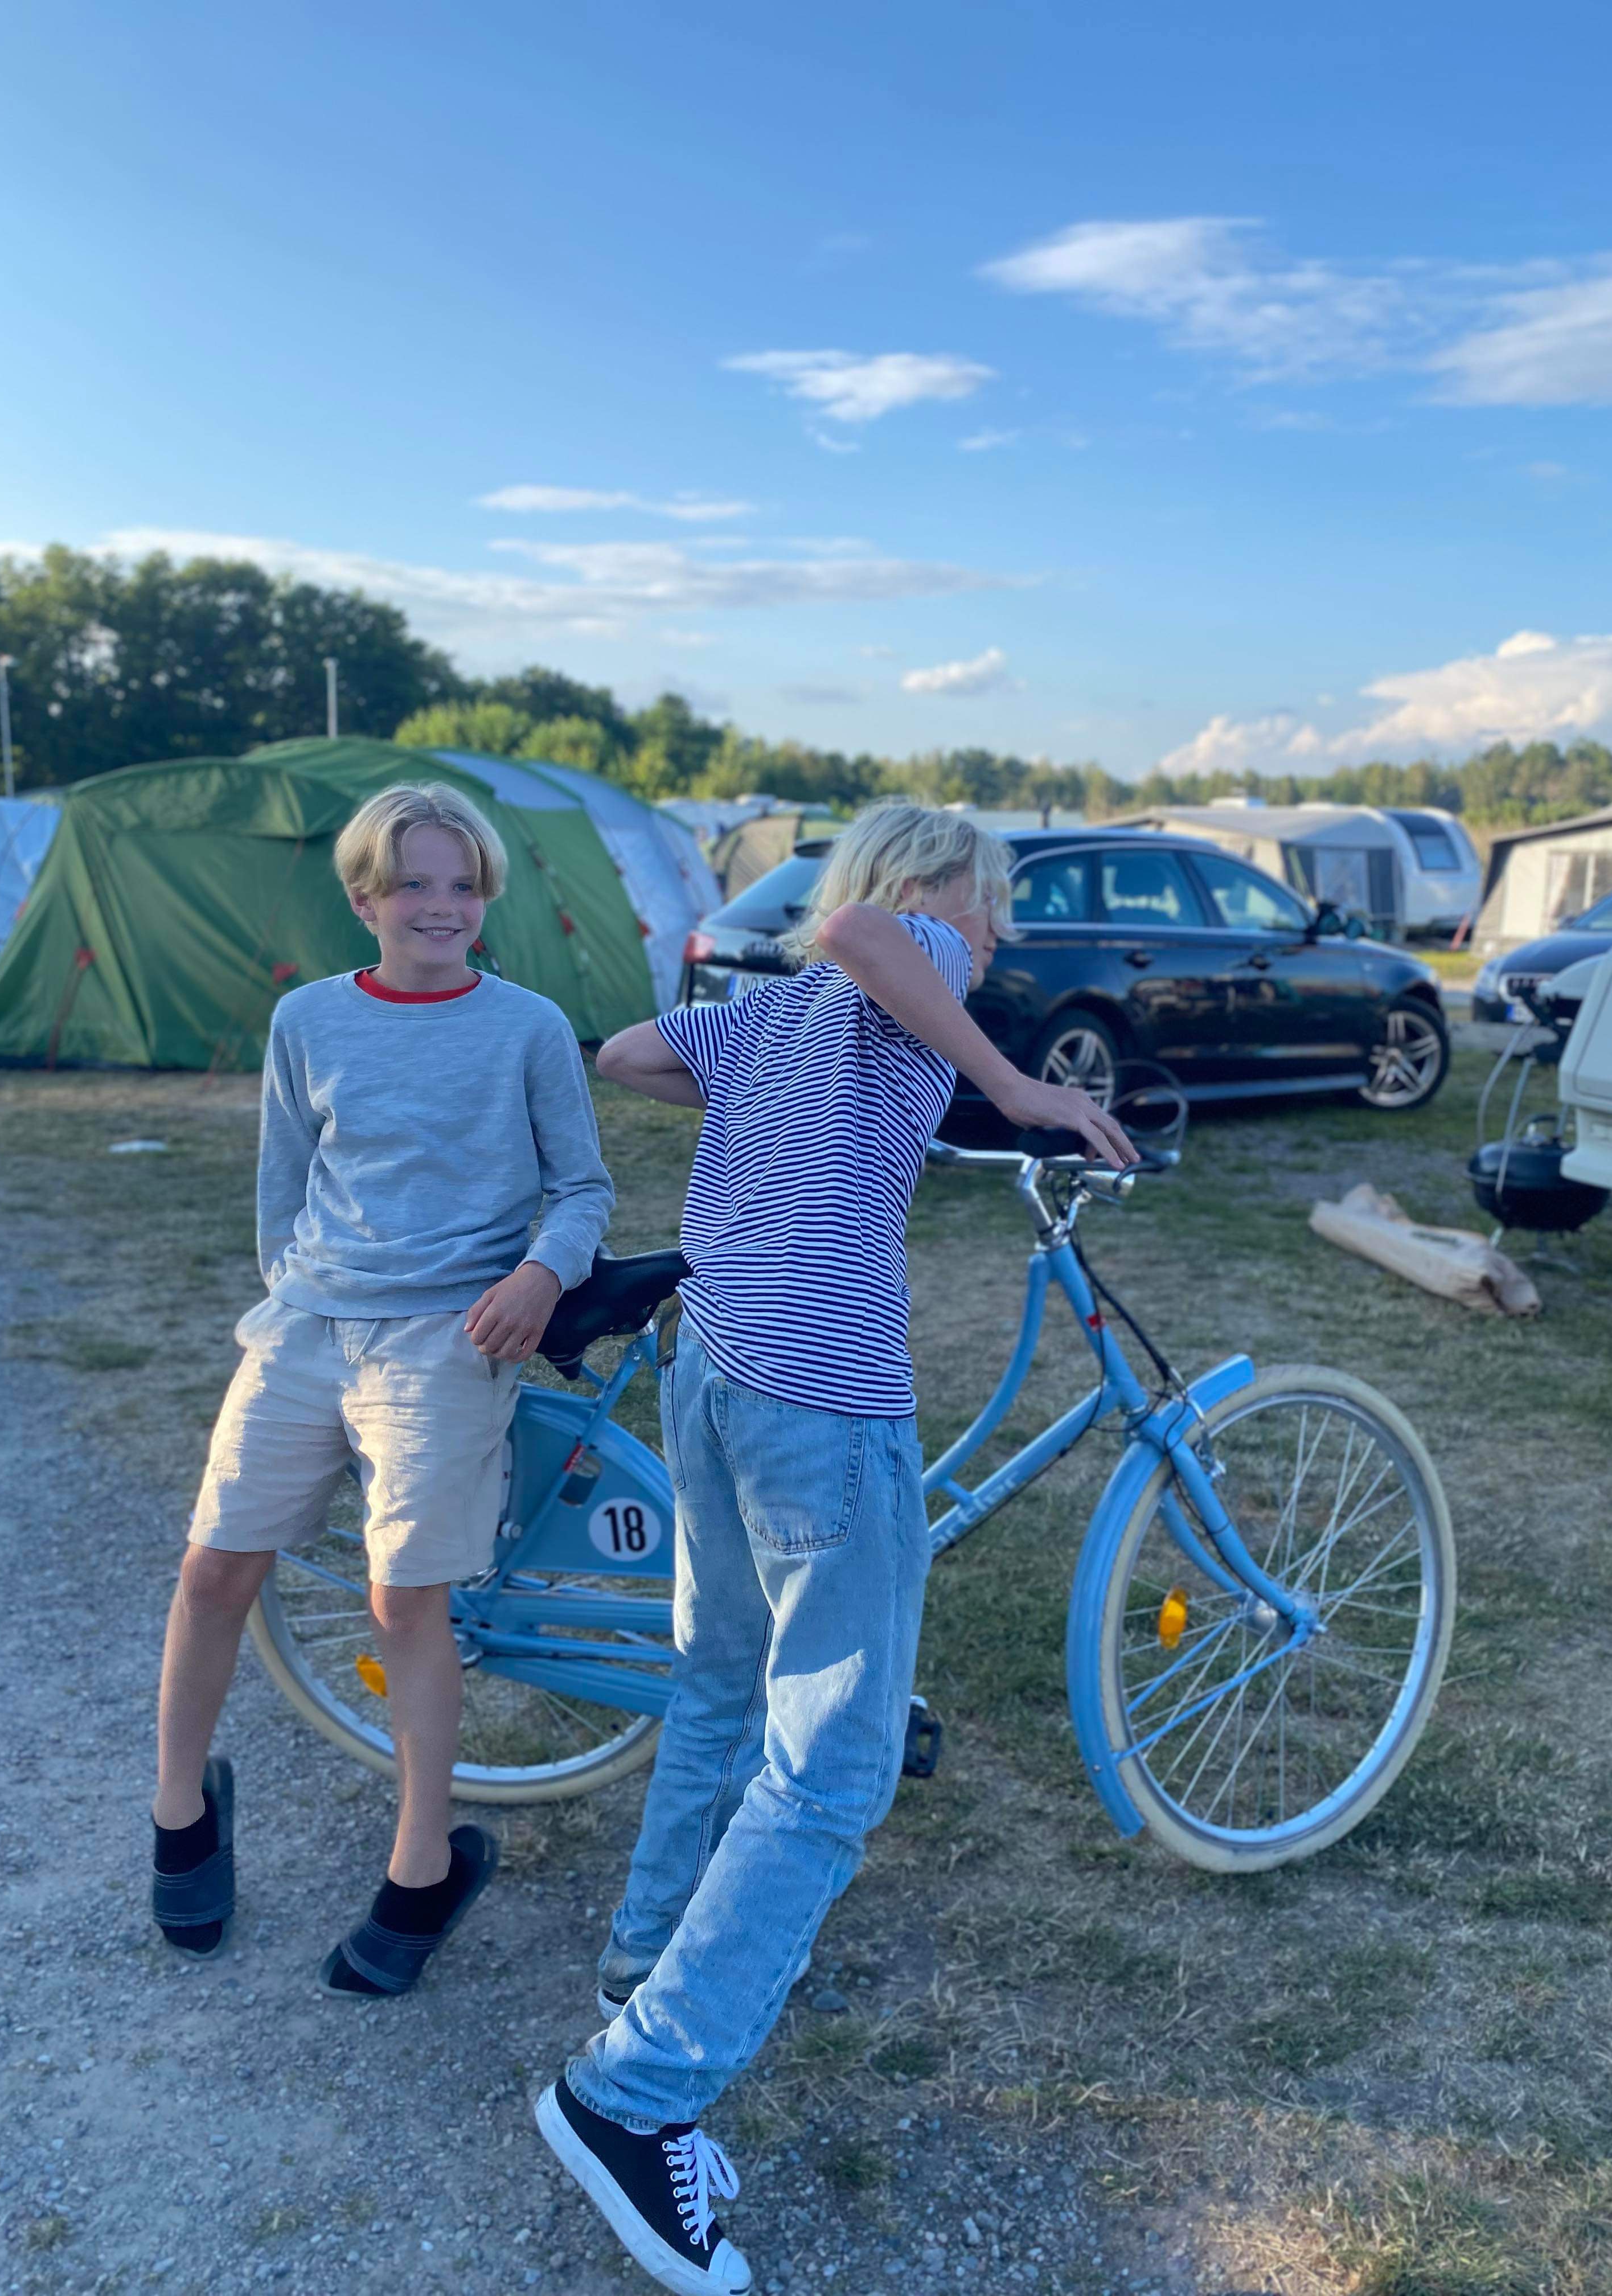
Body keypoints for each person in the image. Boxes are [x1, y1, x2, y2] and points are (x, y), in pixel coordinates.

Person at [535, 802, 1135, 2295]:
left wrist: (778, 1094)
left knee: (721, 1684)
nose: (991, 940)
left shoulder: (782, 1013)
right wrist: (1018, 1086)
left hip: (717, 1366)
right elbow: (864, 929)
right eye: (989, 908)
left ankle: (649, 1967)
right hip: (820, 1389)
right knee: (836, 1767)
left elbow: (630, 1053)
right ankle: (634, 2094)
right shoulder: (895, 944)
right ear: (934, 884)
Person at [149, 781, 613, 1996]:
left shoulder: (527, 1027)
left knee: (403, 1599)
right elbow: (285, 1185)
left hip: (447, 1334)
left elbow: (582, 1188)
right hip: (311, 1322)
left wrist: (539, 1274)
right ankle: (181, 1809)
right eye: (412, 884)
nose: (440, 906)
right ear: (364, 899)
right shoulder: (307, 1019)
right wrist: (299, 1298)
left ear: (485, 898)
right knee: (213, 1566)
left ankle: (423, 1865)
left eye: (462, 885)